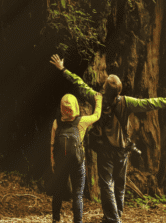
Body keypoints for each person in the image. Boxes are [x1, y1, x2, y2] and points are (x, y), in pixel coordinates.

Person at [50, 54, 166, 223]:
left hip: (105, 150)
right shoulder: (127, 102)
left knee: (106, 184)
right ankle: (115, 215)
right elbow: (150, 103)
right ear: (119, 91)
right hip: (122, 150)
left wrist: (63, 69)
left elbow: (79, 83)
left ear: (104, 87)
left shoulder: (97, 98)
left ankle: (113, 218)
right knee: (119, 186)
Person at [50, 80, 102, 223]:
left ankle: (55, 219)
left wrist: (53, 162)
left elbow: (52, 145)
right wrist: (98, 100)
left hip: (61, 162)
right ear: (75, 106)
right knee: (78, 194)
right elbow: (97, 115)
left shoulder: (56, 123)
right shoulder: (81, 121)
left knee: (58, 193)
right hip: (77, 163)